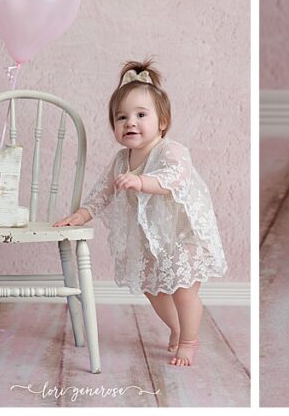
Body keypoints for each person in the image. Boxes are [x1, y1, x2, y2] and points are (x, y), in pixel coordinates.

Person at [54, 60, 226, 367]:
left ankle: (189, 340)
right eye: (121, 117)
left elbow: (177, 177)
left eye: (141, 115)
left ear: (162, 122)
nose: (130, 122)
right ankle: (176, 328)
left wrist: (142, 181)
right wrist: (81, 215)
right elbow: (102, 192)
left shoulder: (171, 151)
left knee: (184, 291)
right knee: (153, 289)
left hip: (183, 234)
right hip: (152, 240)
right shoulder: (122, 159)